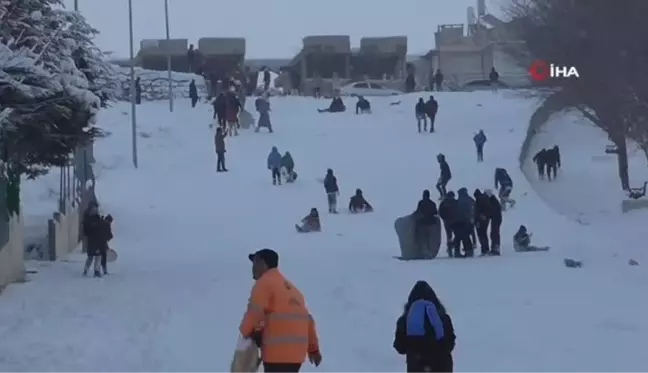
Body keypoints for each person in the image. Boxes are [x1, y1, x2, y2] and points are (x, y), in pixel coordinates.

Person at [240, 249, 322, 373]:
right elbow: (307, 320)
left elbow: (255, 312)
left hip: (276, 354)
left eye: (255, 262)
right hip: (296, 356)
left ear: (263, 263)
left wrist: (245, 333)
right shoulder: (293, 290)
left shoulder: (264, 283)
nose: (253, 267)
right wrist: (313, 349)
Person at [393, 280, 455, 373]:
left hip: (417, 365)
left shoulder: (405, 319)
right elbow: (450, 343)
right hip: (442, 365)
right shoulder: (443, 317)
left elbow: (400, 347)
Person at [413, 190, 438, 257]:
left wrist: (413, 216)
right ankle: (428, 253)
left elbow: (418, 212)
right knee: (428, 240)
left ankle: (421, 253)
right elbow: (435, 214)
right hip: (430, 225)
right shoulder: (433, 204)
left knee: (421, 239)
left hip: (422, 224)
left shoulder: (421, 203)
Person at [438, 191, 456, 256]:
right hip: (455, 221)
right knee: (457, 235)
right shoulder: (455, 202)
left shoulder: (443, 202)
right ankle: (454, 247)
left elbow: (440, 212)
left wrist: (444, 219)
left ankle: (450, 249)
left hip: (447, 222)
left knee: (449, 236)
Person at [484, 189, 501, 255]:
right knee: (494, 233)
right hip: (496, 218)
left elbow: (492, 210)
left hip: (496, 219)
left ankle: (495, 249)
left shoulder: (492, 201)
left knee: (494, 233)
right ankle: (495, 248)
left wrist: (487, 215)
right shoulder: (494, 200)